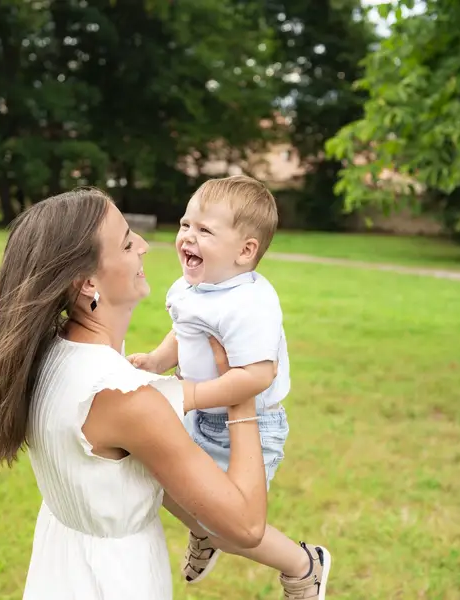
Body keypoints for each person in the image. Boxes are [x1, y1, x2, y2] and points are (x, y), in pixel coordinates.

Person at [0, 187, 268, 600]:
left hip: (62, 569)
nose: (143, 246)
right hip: (114, 580)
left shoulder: (50, 353)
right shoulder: (124, 398)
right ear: (88, 283)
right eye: (126, 242)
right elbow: (246, 526)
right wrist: (242, 392)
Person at [128, 175, 331, 599]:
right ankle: (202, 532)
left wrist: (192, 394)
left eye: (204, 230)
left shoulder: (250, 304)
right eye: (185, 225)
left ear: (245, 251)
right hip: (199, 412)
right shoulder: (190, 286)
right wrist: (157, 361)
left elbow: (258, 376)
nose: (187, 237)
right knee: (151, 474)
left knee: (232, 527)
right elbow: (183, 331)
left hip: (250, 423)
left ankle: (305, 566)